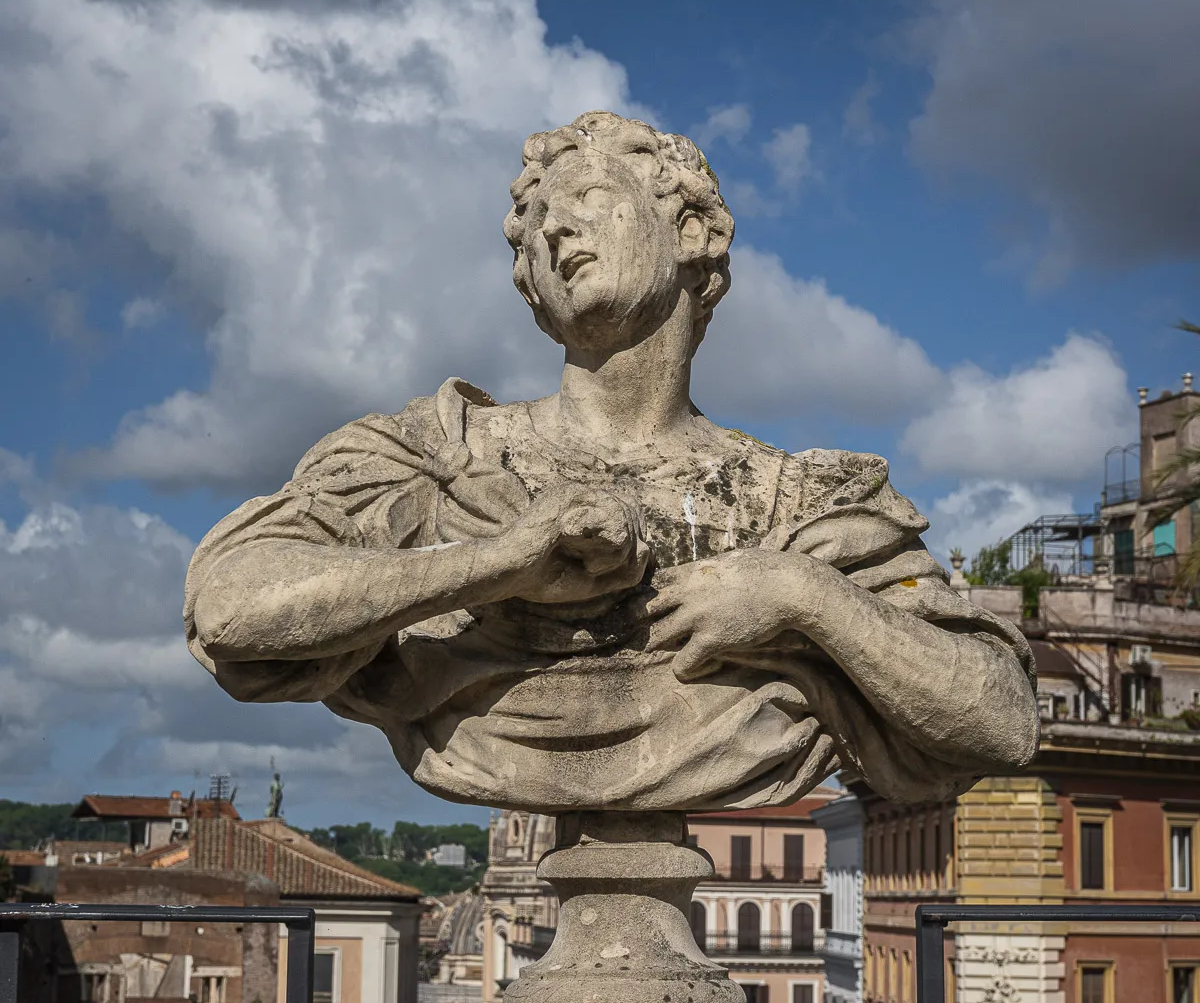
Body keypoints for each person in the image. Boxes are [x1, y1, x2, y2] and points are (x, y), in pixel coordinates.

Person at [184, 111, 1038, 813]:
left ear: (692, 231)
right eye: (536, 224)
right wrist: (495, 565)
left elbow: (1000, 721)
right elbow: (231, 609)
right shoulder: (435, 456)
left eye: (590, 195)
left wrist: (800, 596)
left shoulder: (802, 505)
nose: (556, 226)